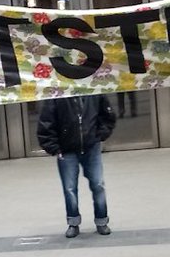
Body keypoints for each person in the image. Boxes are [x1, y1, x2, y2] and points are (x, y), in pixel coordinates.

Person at [36, 95, 117, 238]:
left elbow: (108, 114)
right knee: (70, 188)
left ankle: (102, 221)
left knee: (98, 184)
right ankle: (73, 222)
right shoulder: (57, 96)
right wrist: (54, 148)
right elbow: (46, 123)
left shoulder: (94, 92)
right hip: (66, 149)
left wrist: (100, 135)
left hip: (91, 146)